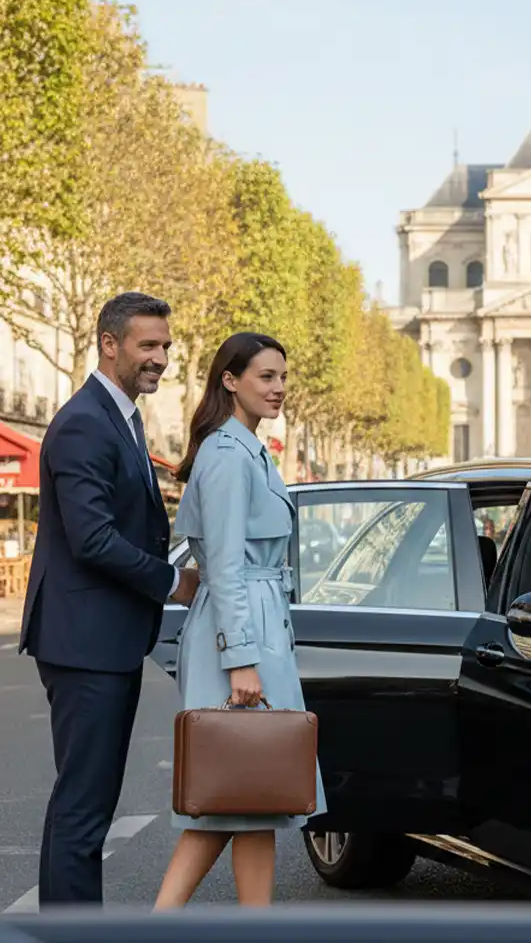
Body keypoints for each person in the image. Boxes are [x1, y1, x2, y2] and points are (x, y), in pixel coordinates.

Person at [19, 292, 200, 906]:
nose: (161, 359)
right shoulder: (83, 422)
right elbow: (93, 538)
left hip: (102, 638)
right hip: (84, 641)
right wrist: (172, 581)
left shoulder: (120, 415)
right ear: (109, 343)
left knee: (85, 804)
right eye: (148, 346)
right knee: (83, 808)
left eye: (166, 347)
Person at [154, 332, 326, 909]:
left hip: (255, 620)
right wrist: (241, 657)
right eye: (266, 376)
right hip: (242, 627)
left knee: (258, 797)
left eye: (282, 376)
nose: (279, 388)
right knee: (227, 792)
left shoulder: (247, 448)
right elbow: (223, 567)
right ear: (230, 380)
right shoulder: (229, 456)